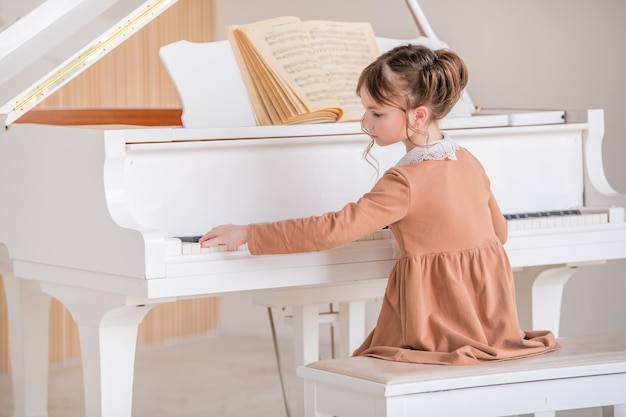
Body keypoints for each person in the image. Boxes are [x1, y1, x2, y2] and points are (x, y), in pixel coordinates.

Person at [199, 44, 560, 365]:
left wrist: (248, 232)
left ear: (417, 116)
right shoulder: (467, 160)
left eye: (376, 113)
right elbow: (501, 233)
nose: (364, 122)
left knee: (365, 360)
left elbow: (333, 230)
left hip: (437, 326)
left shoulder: (404, 181)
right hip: (491, 321)